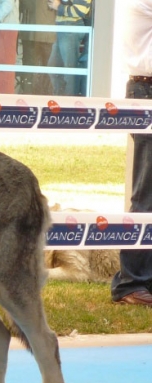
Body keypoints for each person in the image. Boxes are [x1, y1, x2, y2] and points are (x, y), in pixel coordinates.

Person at [111, 0, 152, 307]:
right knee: (146, 193)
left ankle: (138, 277)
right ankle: (130, 282)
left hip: (144, 88)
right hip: (146, 90)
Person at [46, 0, 93, 96]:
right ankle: (62, 99)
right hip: (64, 27)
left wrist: (59, 6)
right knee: (55, 67)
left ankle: (69, 101)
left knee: (69, 70)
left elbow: (81, 10)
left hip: (71, 27)